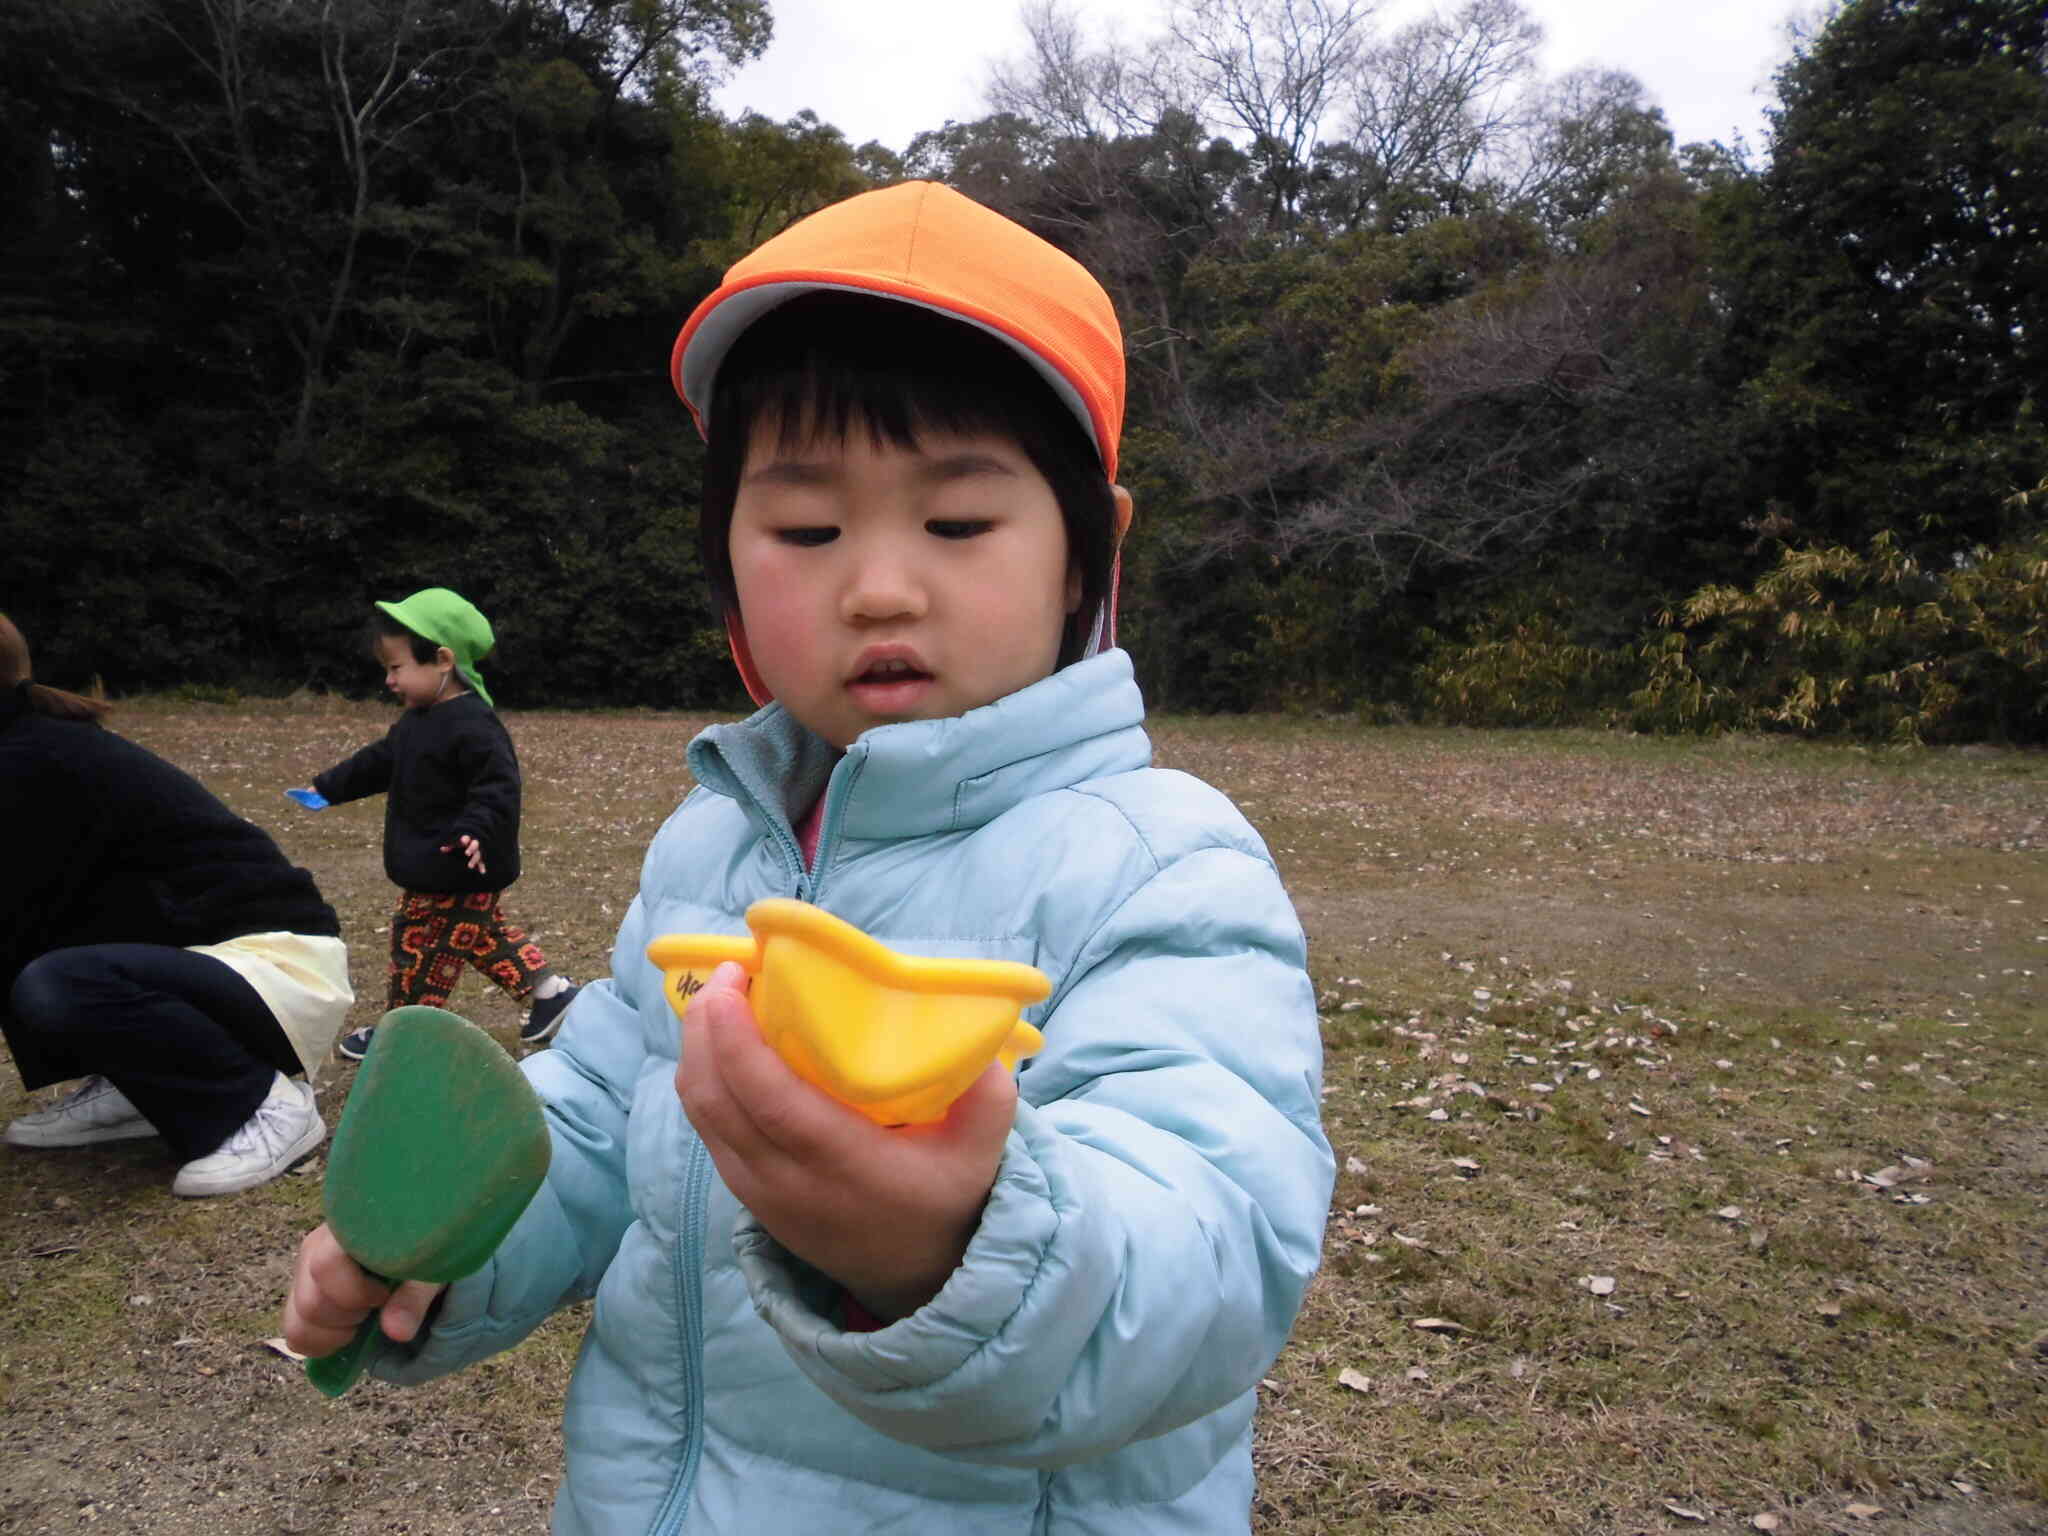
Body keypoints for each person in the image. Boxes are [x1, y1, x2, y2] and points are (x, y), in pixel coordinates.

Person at [283, 182, 1333, 1533]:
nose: (880, 585)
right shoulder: (716, 840)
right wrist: (456, 1246)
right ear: (725, 560)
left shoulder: (1160, 868)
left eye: (958, 523)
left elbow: (1218, 1245)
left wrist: (955, 1251)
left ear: (1089, 553)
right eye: (806, 529)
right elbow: (603, 1118)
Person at [1, 613, 352, 1197]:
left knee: (54, 981)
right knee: (39, 953)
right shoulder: (28, 743)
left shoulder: (28, 761)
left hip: (278, 968)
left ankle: (262, 1107)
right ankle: (136, 1086)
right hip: (208, 961)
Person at [292, 588, 577, 1059]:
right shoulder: (417, 721)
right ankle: (550, 994)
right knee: (479, 934)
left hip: (457, 859)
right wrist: (330, 787)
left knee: (418, 945)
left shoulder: (474, 725)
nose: (389, 680)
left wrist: (476, 832)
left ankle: (406, 1032)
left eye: (397, 667)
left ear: (442, 660)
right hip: (437, 861)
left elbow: (497, 787)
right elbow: (381, 761)